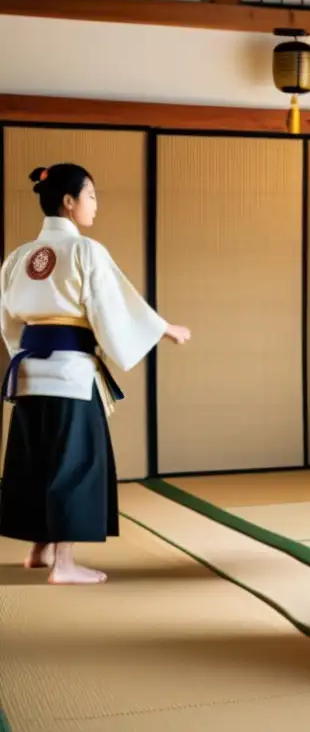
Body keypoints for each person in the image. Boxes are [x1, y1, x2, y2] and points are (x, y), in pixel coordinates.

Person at [0, 163, 191, 585]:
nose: (95, 205)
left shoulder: (19, 257)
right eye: (90, 196)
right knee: (74, 463)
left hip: (28, 374)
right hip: (70, 374)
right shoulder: (85, 251)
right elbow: (112, 308)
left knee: (36, 461)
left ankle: (39, 549)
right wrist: (162, 328)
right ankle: (64, 564)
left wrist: (29, 357)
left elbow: (9, 324)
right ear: (69, 202)